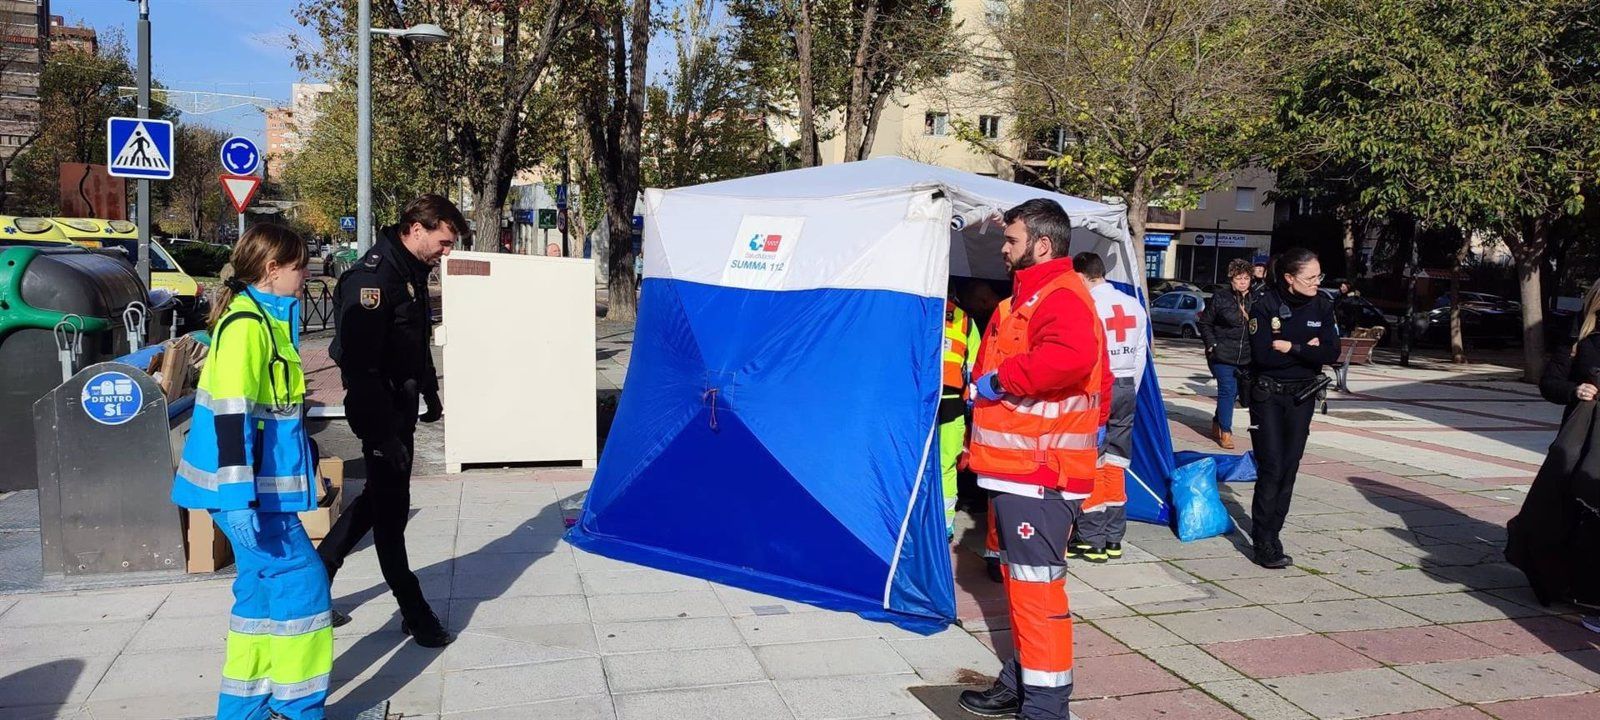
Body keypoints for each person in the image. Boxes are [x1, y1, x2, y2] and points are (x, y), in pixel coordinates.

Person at [170, 225, 331, 720]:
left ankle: (246, 709)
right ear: (272, 269)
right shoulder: (247, 327)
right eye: (300, 267)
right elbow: (232, 417)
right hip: (248, 496)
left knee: (260, 597)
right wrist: (238, 498)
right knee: (303, 591)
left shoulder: (265, 319)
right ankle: (296, 709)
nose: (306, 276)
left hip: (254, 494)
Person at [958, 199, 1106, 720]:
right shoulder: (1026, 300)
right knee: (1025, 592)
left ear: (1042, 245)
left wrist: (1000, 382)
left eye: (1012, 240)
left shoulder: (1059, 296)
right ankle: (1019, 681)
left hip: (1041, 474)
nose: (1003, 249)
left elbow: (1068, 360)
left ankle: (1045, 705)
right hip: (1019, 471)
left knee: (1037, 595)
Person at [318, 194, 464, 647]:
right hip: (378, 409)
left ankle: (317, 575)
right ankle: (414, 610)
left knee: (381, 497)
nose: (447, 250)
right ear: (416, 228)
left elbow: (414, 346)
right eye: (443, 240)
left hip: (400, 406)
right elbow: (359, 369)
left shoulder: (410, 274)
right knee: (391, 511)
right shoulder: (374, 279)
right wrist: (382, 433)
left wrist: (430, 393)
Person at [1507, 281, 1600, 633]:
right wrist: (1576, 390)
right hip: (1580, 440)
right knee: (1570, 512)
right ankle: (1571, 586)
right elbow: (1550, 384)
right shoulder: (1578, 341)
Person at [1246, 247, 1339, 569]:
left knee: (1290, 466)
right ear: (1289, 278)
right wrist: (1308, 349)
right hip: (1268, 396)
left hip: (1303, 396)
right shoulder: (1265, 304)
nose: (1316, 282)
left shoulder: (1323, 304)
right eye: (1310, 277)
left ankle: (1274, 532)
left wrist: (1292, 346)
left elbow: (1331, 352)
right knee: (1271, 466)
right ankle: (1262, 541)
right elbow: (1264, 357)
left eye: (1318, 276)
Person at [1069, 251, 1147, 563]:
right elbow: (1141, 353)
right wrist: (1129, 390)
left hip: (1098, 386)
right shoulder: (1134, 305)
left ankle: (1091, 539)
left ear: (1081, 275)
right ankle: (1114, 538)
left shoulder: (1087, 305)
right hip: (1127, 384)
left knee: (1092, 461)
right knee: (1117, 461)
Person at [1198, 259, 1255, 449]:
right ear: (1231, 279)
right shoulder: (1221, 297)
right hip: (1222, 354)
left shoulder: (1256, 298)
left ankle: (1217, 420)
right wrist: (1212, 344)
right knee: (1227, 390)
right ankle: (1226, 432)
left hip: (1246, 356)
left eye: (1246, 278)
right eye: (1239, 278)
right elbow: (1205, 323)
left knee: (1234, 393)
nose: (1243, 282)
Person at [941, 286, 982, 538]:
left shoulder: (916, 313)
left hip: (918, 405)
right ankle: (944, 525)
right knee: (947, 465)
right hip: (952, 402)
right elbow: (976, 367)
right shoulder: (965, 321)